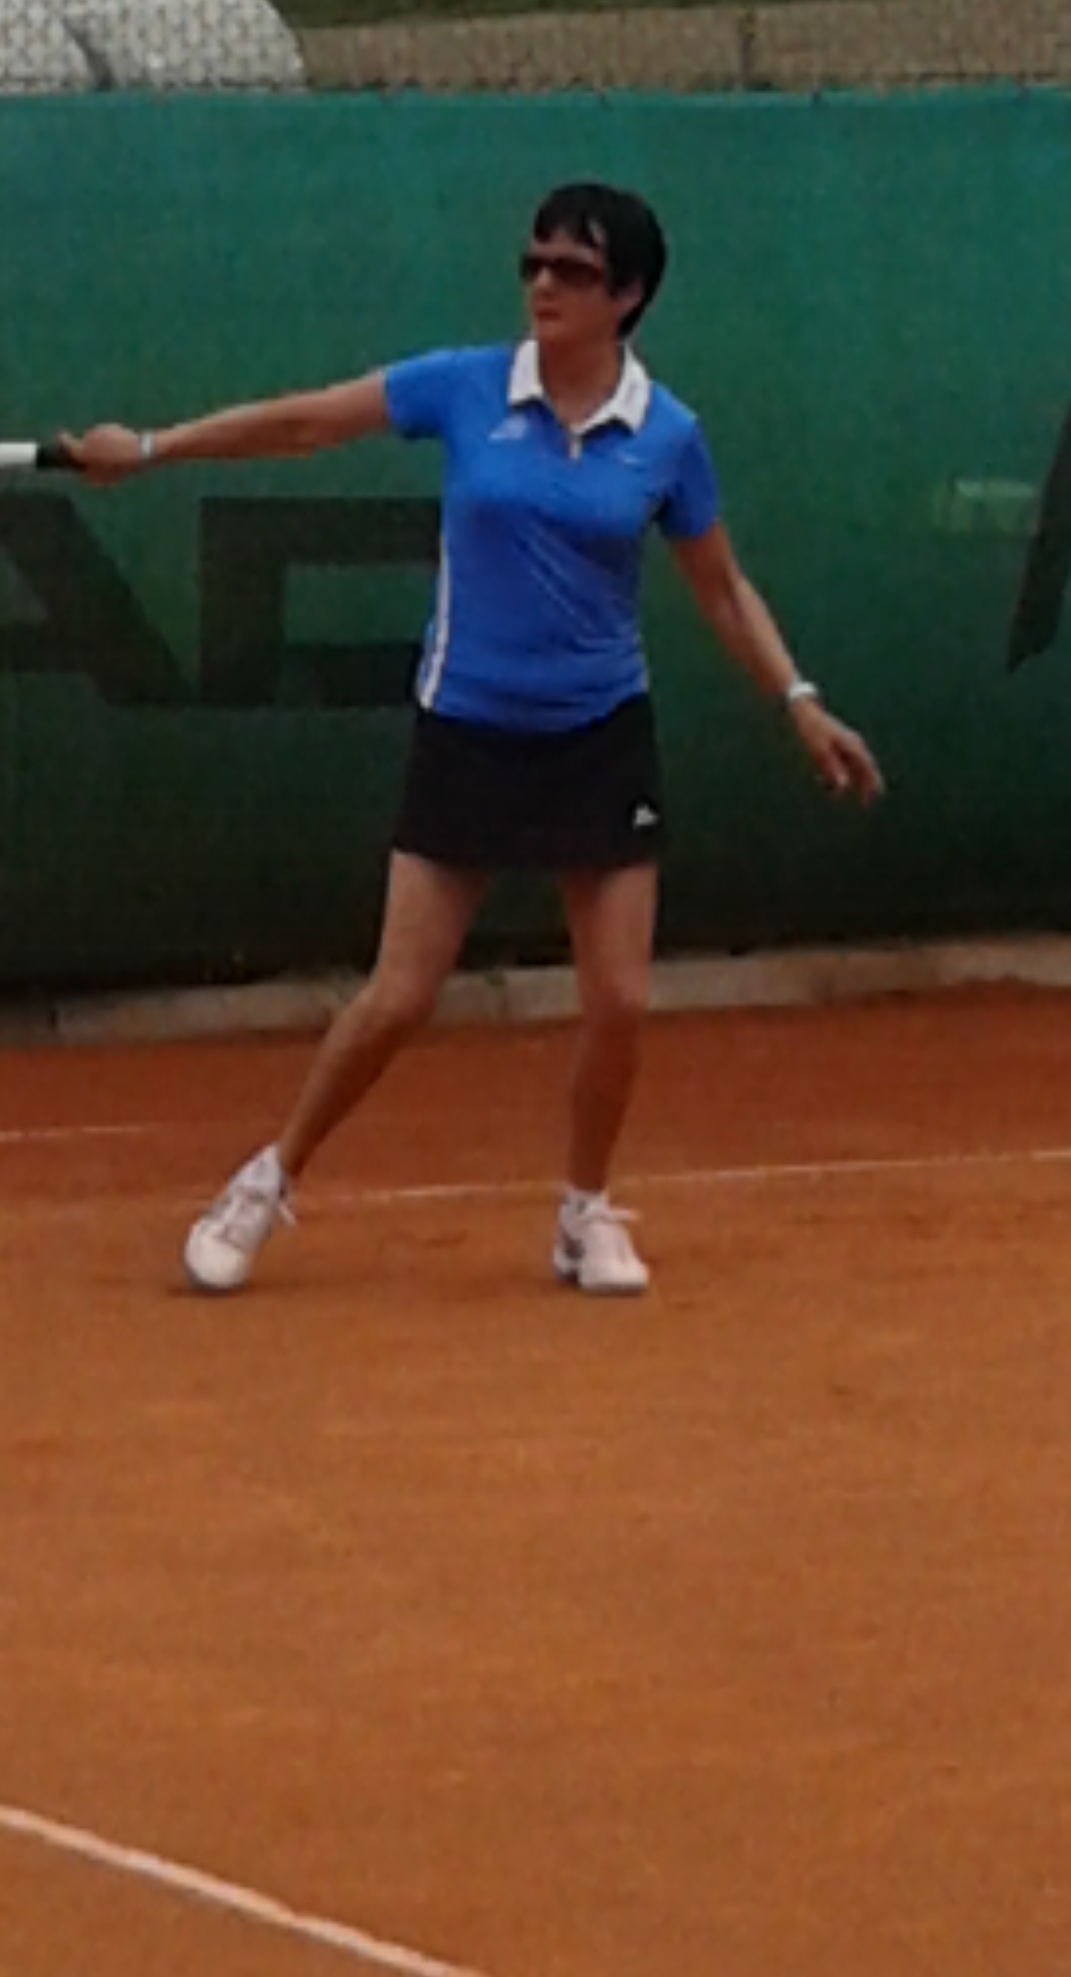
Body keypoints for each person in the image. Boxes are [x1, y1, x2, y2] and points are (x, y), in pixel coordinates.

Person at [63, 180, 883, 1300]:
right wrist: (154, 447)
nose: (543, 283)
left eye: (572, 271)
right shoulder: (463, 386)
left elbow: (722, 588)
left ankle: (583, 1213)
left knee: (620, 1002)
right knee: (399, 996)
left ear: (628, 295)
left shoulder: (668, 436)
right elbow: (308, 420)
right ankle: (268, 1178)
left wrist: (799, 698)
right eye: (533, 263)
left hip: (601, 736)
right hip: (470, 730)